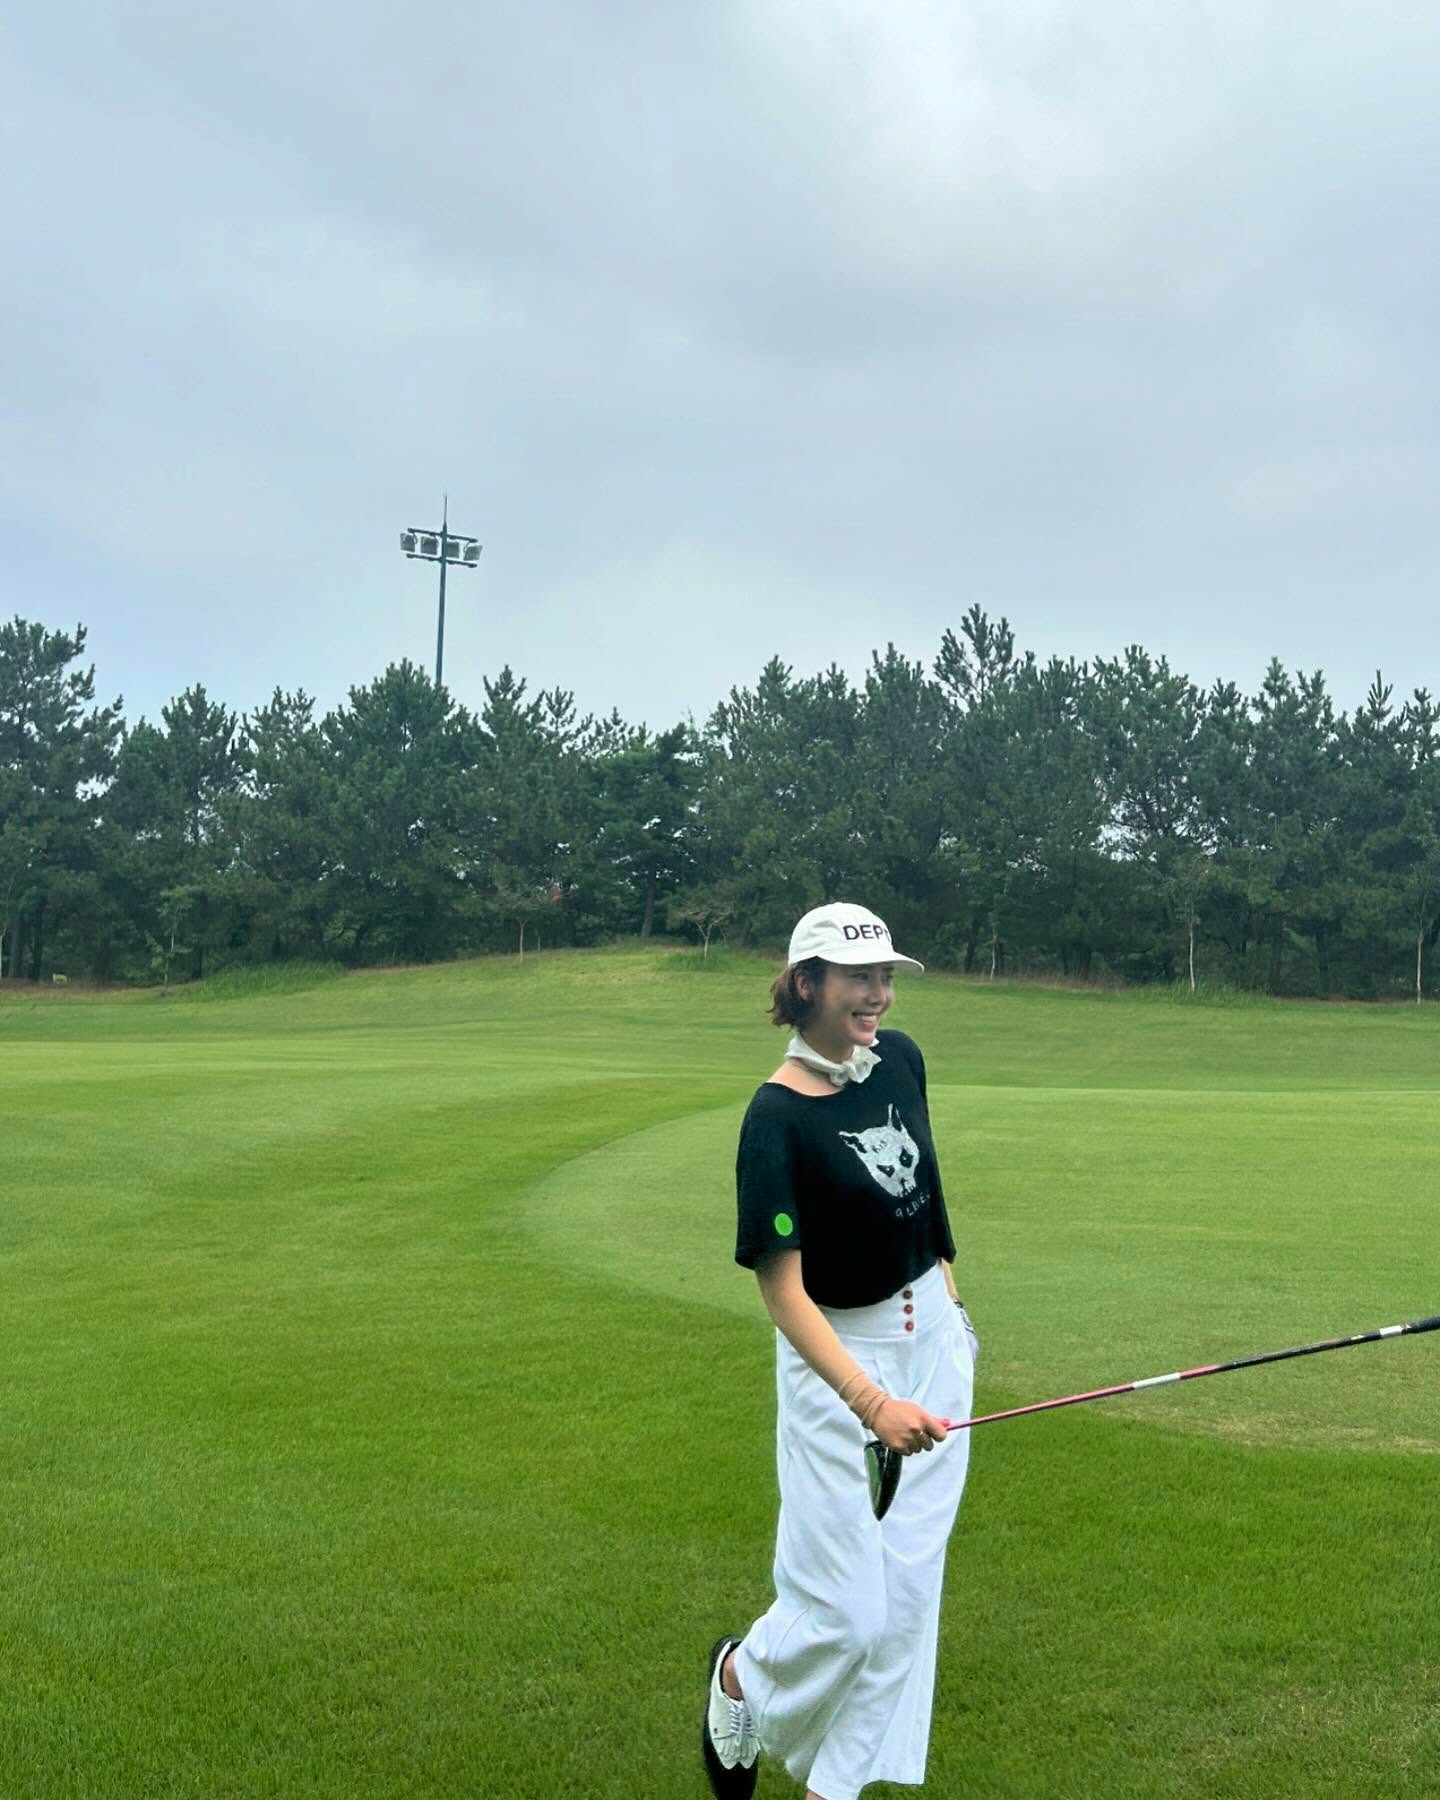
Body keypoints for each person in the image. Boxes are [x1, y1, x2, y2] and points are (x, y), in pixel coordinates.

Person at [701, 902, 978, 1800]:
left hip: (933, 1345)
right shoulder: (774, 1119)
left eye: (885, 977)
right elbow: (783, 1291)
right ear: (806, 984)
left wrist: (950, 1305)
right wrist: (872, 1402)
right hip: (837, 1358)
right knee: (851, 1612)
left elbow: (927, 1197)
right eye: (859, 978)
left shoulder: (901, 1059)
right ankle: (741, 1676)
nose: (878, 995)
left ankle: (835, 1790)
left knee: (905, 1602)